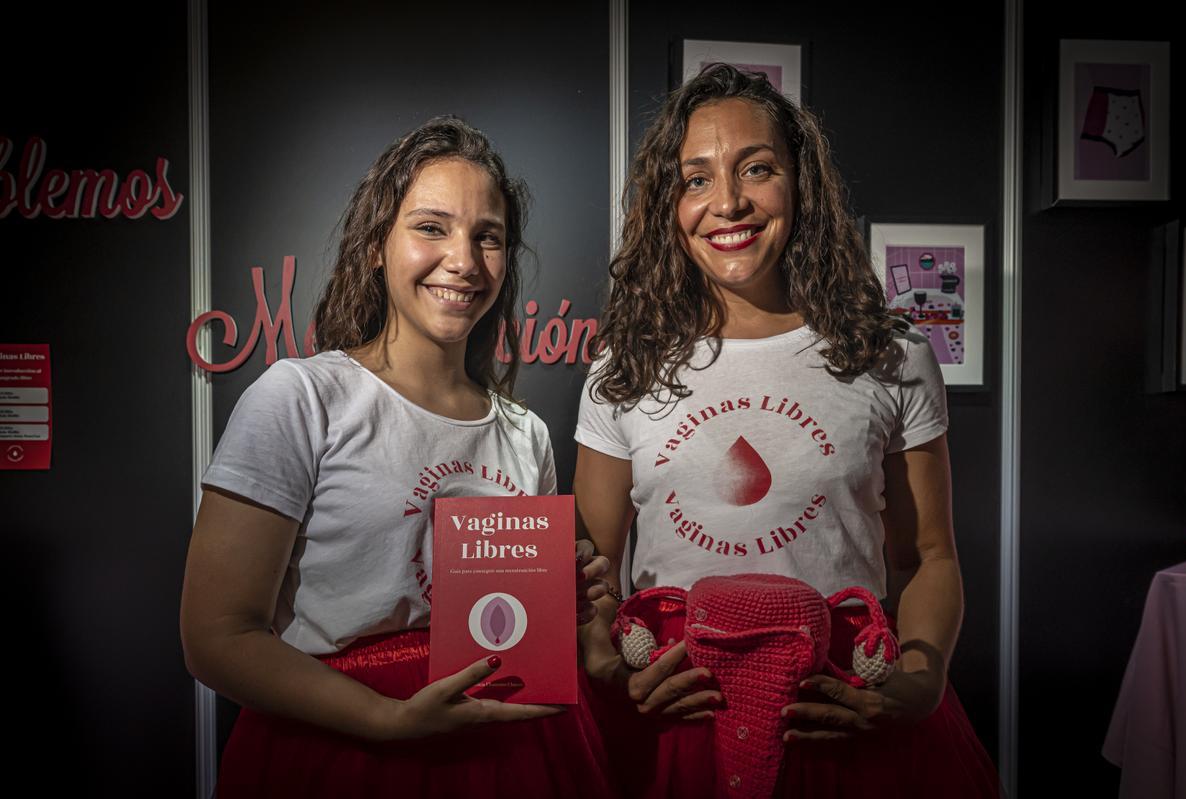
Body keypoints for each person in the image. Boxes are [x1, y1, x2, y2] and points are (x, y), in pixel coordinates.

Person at [574, 64, 999, 798]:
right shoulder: (625, 366)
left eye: (757, 169)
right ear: (666, 204)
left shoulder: (892, 356)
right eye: (696, 178)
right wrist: (607, 662)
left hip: (838, 715)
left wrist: (925, 674)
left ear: (801, 185)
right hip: (679, 724)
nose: (729, 201)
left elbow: (927, 554)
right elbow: (594, 571)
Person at [180, 116, 614, 799]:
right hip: (343, 752)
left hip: (508, 748)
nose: (464, 260)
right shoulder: (301, 398)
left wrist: (569, 602)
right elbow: (215, 636)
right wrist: (387, 719)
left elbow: (515, 623)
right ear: (377, 245)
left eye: (488, 236)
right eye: (432, 227)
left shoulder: (524, 433)